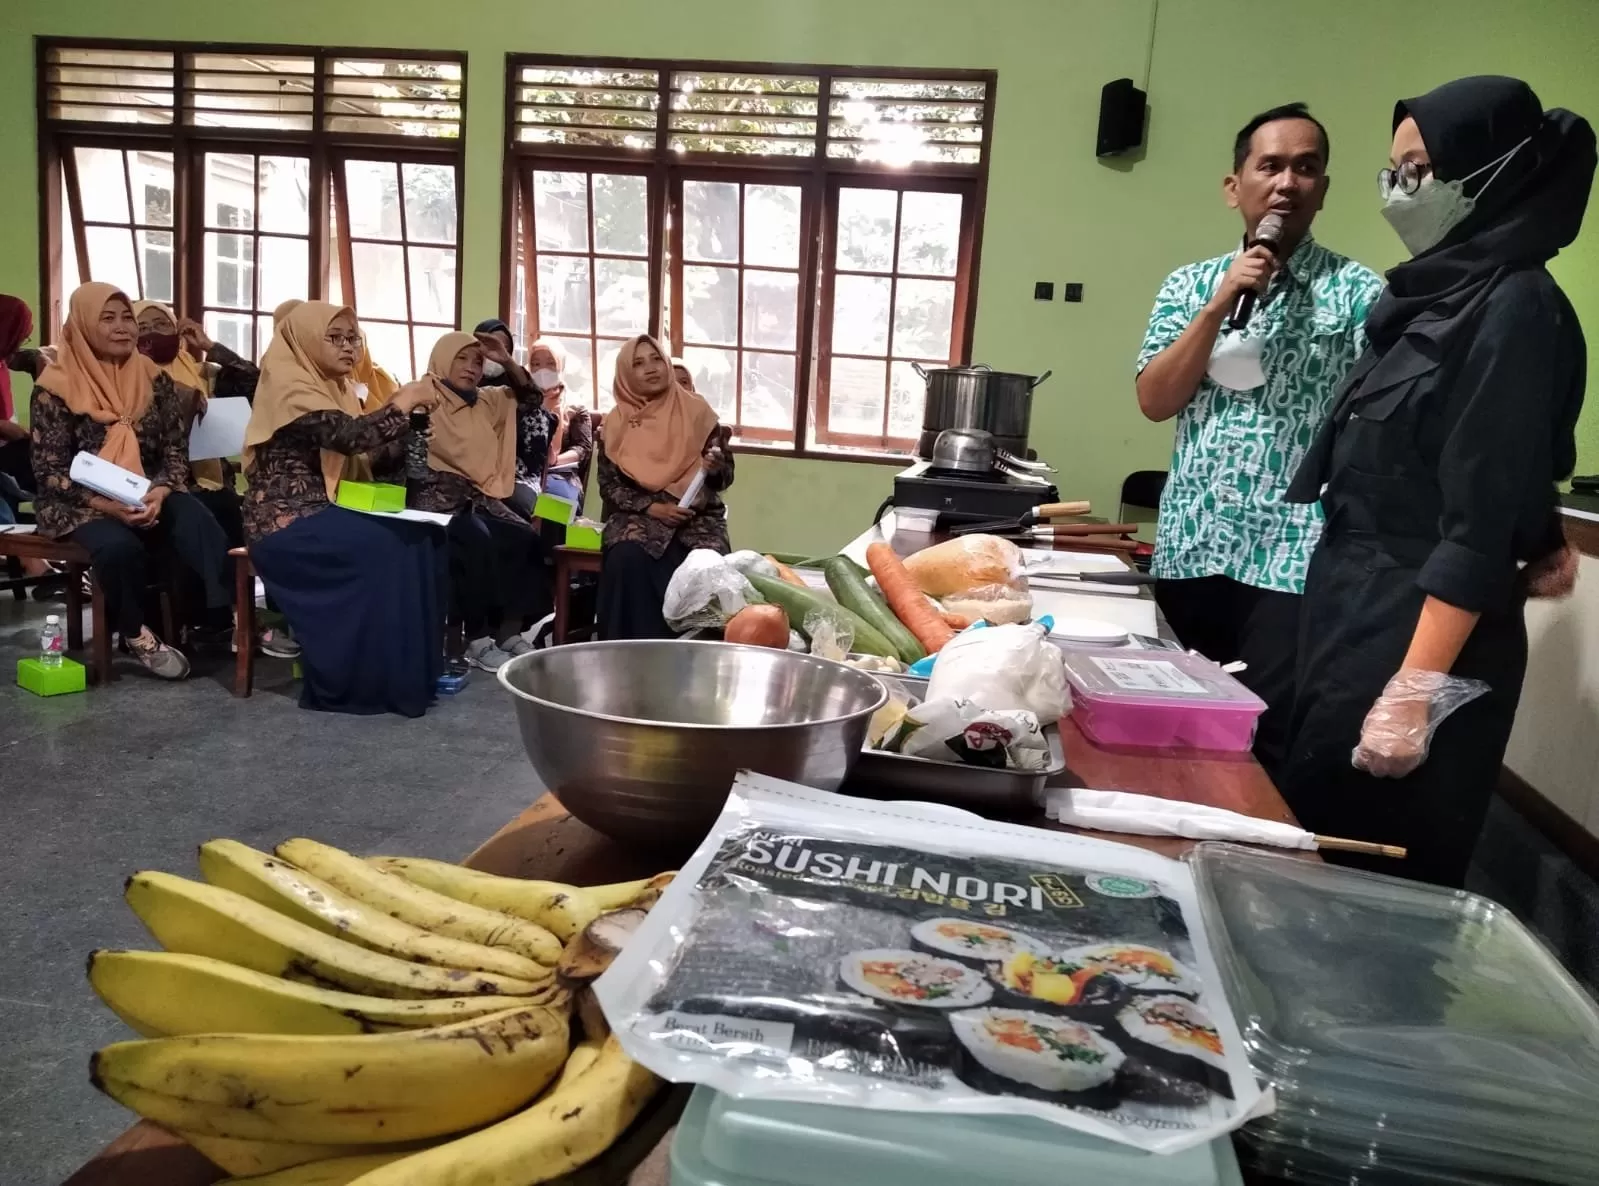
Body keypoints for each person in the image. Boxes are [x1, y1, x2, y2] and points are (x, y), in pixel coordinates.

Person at [1280, 78, 1594, 888]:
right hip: (1354, 603)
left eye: (1417, 168)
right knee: (1316, 838)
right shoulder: (1436, 295)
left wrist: (1412, 692)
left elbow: (1475, 524)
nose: (1396, 189)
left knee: (1378, 880)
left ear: (1491, 172)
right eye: (1392, 168)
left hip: (1419, 636)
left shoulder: (1515, 306)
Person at [1136, 102, 1383, 779]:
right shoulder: (1188, 286)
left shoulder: (1361, 294)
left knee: (1263, 734)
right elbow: (1154, 401)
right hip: (1194, 538)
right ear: (1233, 185)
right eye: (1268, 165)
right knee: (1171, 723)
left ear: (1323, 189)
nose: (1286, 183)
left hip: (1293, 553)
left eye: (1306, 168)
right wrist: (1218, 305)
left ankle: (1250, 870)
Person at [242, 301, 444, 717]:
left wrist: (411, 433)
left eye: (354, 337)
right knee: (387, 547)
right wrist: (403, 400)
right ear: (307, 339)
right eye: (335, 337)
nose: (348, 347)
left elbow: (368, 456)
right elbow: (348, 438)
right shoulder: (287, 382)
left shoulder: (334, 385)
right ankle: (356, 682)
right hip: (285, 521)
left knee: (422, 537)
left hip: (327, 509)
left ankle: (404, 678)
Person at [29, 283, 233, 678]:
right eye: (108, 318)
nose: (123, 327)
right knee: (118, 548)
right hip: (79, 502)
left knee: (197, 516)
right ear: (84, 325)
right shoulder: (54, 387)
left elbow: (175, 453)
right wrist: (112, 507)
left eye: (127, 318)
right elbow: (50, 472)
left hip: (144, 490)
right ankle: (137, 633)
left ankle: (225, 619)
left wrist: (158, 492)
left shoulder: (153, 379)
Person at [408, 330, 551, 671]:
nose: (471, 367)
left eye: (477, 361)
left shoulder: (486, 401)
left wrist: (505, 360)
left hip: (478, 498)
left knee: (525, 538)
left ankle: (508, 631)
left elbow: (531, 398)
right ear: (443, 358)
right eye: (461, 358)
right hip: (435, 502)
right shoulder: (421, 396)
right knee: (478, 540)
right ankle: (478, 638)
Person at [596, 334, 733, 640]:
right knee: (626, 557)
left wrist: (715, 468)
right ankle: (627, 657)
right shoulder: (613, 426)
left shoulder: (699, 413)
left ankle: (694, 663)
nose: (651, 368)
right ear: (627, 374)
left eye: (656, 358)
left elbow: (724, 478)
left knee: (705, 566)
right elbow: (609, 487)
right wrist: (652, 507)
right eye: (639, 363)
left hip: (696, 517)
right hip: (640, 515)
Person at [131, 302, 258, 543]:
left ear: (176, 332)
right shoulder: (125, 379)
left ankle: (230, 581)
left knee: (225, 508)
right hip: (158, 487)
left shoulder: (202, 373)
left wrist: (208, 345)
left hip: (212, 485)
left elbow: (255, 381)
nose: (153, 334)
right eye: (143, 327)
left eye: (161, 325)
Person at [532, 341, 592, 507]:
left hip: (560, 474)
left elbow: (582, 449)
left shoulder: (575, 406)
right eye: (536, 364)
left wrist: (554, 461)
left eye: (550, 363)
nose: (543, 370)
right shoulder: (521, 402)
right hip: (525, 472)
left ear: (561, 365)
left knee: (556, 501)